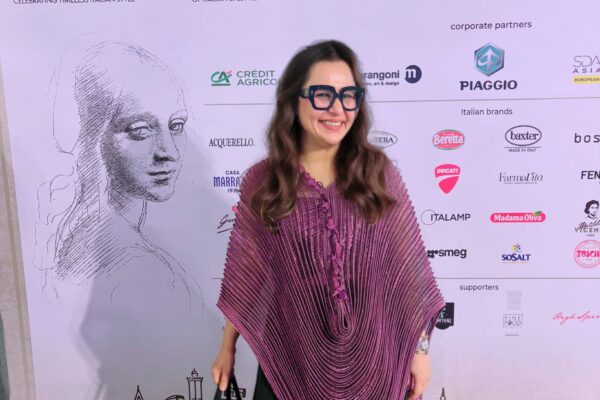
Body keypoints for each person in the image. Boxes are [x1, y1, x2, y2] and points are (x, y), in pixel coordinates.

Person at [212, 40, 445, 400]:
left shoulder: (379, 175)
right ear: (294, 99)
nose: (337, 109)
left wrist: (419, 351)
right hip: (290, 359)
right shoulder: (264, 181)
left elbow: (408, 275)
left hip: (376, 359)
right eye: (323, 95)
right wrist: (227, 346)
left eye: (349, 96)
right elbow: (247, 276)